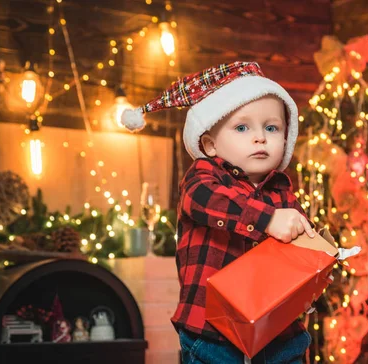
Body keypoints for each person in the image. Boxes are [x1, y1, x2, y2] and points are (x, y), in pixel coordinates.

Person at [122, 61, 315, 364]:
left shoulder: (283, 193)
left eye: (272, 127)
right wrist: (268, 220)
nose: (260, 137)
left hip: (278, 333)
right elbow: (204, 200)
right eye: (242, 127)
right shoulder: (203, 178)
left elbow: (303, 251)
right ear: (210, 144)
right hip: (212, 335)